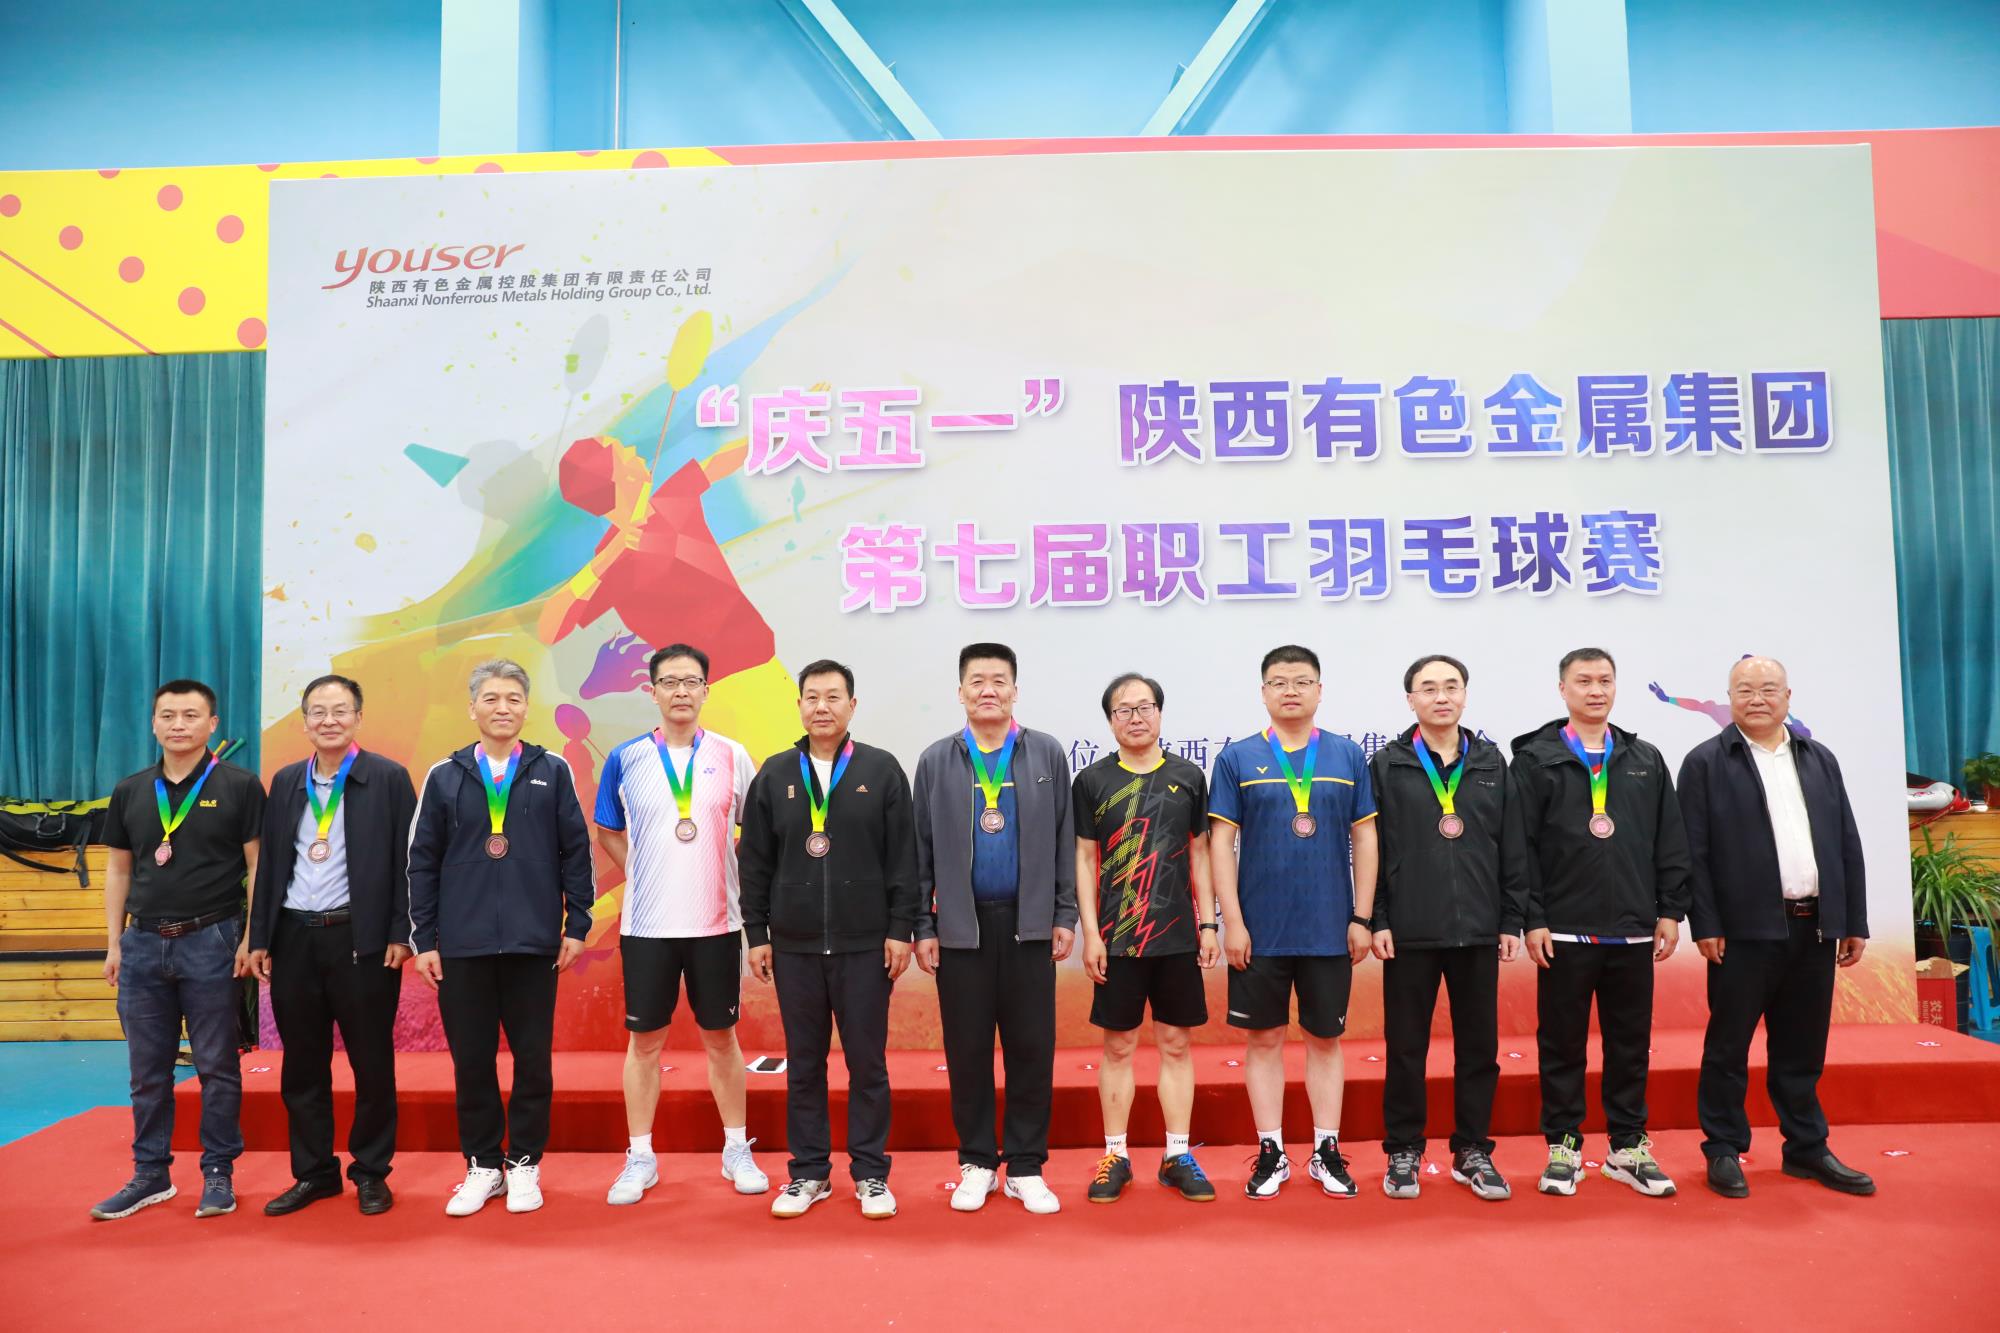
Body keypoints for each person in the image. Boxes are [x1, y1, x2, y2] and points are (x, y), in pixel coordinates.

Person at [1678, 657, 1874, 1198]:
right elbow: (1692, 852)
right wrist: (1705, 923)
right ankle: (1723, 1148)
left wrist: (1852, 919)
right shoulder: (1706, 762)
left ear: (1788, 696)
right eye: (1745, 690)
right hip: (1742, 933)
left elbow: (1846, 841)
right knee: (1728, 1047)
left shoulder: (1818, 757)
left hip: (1815, 928)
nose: (1757, 699)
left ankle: (1806, 1147)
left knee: (1802, 1048)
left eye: (1768, 689)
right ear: (1729, 698)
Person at [408, 660, 593, 1217]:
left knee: (533, 1060)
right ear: (473, 708)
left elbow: (576, 850)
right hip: (461, 947)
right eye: (490, 698)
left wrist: (577, 925)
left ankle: (526, 1164)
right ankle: (484, 1165)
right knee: (472, 1061)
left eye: (513, 698)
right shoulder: (445, 775)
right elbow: (422, 861)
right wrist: (425, 939)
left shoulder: (552, 769)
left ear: (526, 707)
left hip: (533, 944)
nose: (502, 708)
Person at [739, 659, 917, 1221]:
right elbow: (755, 862)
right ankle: (809, 1172)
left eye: (833, 696)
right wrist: (757, 933)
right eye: (812, 696)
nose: (822, 706)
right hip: (794, 948)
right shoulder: (774, 775)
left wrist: (901, 930)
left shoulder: (881, 770)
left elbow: (904, 858)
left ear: (852, 705)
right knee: (805, 1065)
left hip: (865, 946)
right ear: (799, 706)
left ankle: (870, 1172)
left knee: (868, 1065)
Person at [1513, 647, 1691, 1198]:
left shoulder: (1644, 758)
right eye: (1584, 681)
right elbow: (1521, 847)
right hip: (1564, 932)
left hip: (1634, 929)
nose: (1596, 690)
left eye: (1605, 680)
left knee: (1629, 1044)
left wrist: (1670, 909)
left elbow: (1670, 839)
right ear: (1562, 689)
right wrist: (1533, 918)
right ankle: (1563, 1147)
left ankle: (1626, 1147)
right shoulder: (1536, 760)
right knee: (1562, 1044)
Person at [595, 643, 765, 1205]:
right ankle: (640, 1156)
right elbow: (608, 829)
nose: (681, 692)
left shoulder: (733, 755)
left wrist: (726, 873)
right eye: (669, 682)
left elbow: (757, 831)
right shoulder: (625, 758)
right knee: (645, 1042)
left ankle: (736, 1148)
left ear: (706, 691)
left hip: (716, 923)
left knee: (722, 1037)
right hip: (647, 926)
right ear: (652, 691)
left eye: (691, 682)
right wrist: (643, 871)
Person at [92, 680, 265, 1221]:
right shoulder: (130, 790)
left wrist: (250, 937)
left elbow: (258, 865)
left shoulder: (239, 786)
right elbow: (119, 869)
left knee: (217, 1066)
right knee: (147, 1071)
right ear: (154, 724)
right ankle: (151, 1174)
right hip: (142, 944)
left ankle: (218, 1172)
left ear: (212, 724)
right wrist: (114, 942)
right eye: (167, 715)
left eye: (191, 715)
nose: (178, 725)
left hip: (213, 940)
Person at [913, 643, 1076, 1216]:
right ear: (960, 692)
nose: (988, 690)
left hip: (1029, 927)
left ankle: (1026, 1166)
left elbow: (1064, 838)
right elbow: (919, 851)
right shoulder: (936, 760)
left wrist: (1063, 914)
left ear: (1015, 691)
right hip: (961, 930)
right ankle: (978, 1162)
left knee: (1032, 1048)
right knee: (968, 1050)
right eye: (977, 680)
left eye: (999, 680)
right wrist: (923, 924)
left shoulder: (1045, 752)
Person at [1210, 645, 1377, 1201]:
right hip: (1260, 931)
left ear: (1319, 690)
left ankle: (1327, 1149)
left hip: (1329, 927)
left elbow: (1365, 838)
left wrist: (1361, 916)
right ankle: (1271, 1151)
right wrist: (1232, 922)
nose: (1290, 690)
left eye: (1302, 681)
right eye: (1279, 682)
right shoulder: (1237, 759)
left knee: (1325, 1040)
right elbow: (1220, 843)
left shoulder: (1348, 756)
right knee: (1263, 1040)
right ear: (1263, 692)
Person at [246, 674, 416, 1216]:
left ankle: (371, 1171)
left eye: (340, 710)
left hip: (361, 941)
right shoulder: (286, 781)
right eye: (317, 711)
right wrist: (261, 936)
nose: (329, 720)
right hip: (295, 937)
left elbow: (409, 862)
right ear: (304, 722)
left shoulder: (388, 778)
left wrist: (402, 932)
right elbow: (271, 864)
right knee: (302, 1064)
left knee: (371, 1062)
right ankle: (314, 1173)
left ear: (358, 718)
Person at [1369, 654, 1529, 1201]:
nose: (1441, 697)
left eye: (1451, 687)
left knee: (1479, 1048)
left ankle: (1472, 1149)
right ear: (1410, 699)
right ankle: (1404, 1150)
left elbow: (1512, 845)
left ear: (1465, 695)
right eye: (1429, 688)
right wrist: (1379, 917)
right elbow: (1373, 848)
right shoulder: (1387, 765)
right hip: (1408, 930)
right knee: (1405, 1049)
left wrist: (1511, 919)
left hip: (1479, 929)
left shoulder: (1490, 761)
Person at [1073, 672, 1219, 1204]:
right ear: (1110, 720)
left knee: (1176, 1044)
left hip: (1177, 935)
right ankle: (1115, 1155)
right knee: (1118, 1045)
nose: (1135, 717)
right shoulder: (1092, 781)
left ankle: (1177, 1155)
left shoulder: (1188, 776)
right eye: (1123, 710)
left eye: (1144, 707)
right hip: (1118, 939)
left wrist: (1209, 924)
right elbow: (1083, 860)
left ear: (1160, 712)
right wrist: (1091, 935)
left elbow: (1200, 852)